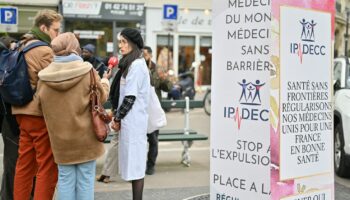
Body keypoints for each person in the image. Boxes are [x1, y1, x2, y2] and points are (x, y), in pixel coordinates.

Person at [36, 32, 109, 200]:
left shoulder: (44, 77)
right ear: (73, 48)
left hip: (60, 140)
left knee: (65, 179)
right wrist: (105, 82)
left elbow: (40, 107)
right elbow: (101, 97)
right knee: (85, 180)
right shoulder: (87, 71)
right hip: (86, 138)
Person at [11, 9, 62, 200]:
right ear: (44, 27)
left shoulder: (21, 45)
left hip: (21, 112)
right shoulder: (44, 50)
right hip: (39, 115)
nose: (58, 34)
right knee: (47, 166)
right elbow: (56, 83)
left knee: (24, 164)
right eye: (55, 30)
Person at [110, 28, 150, 200]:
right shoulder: (129, 63)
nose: (121, 45)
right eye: (119, 42)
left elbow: (130, 98)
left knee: (136, 167)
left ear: (133, 44)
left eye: (124, 42)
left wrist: (118, 118)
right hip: (130, 122)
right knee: (133, 166)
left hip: (134, 122)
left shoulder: (137, 66)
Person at [143, 46, 173, 175]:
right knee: (138, 140)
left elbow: (168, 88)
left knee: (153, 140)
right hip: (140, 111)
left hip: (153, 113)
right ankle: (137, 165)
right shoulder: (136, 68)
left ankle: (150, 165)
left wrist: (164, 79)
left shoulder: (157, 69)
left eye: (144, 54)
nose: (142, 56)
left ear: (150, 55)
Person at [0, 36, 20, 200]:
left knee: (11, 163)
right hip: (11, 119)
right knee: (13, 163)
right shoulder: (8, 59)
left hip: (8, 119)